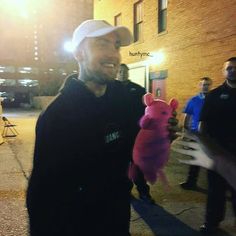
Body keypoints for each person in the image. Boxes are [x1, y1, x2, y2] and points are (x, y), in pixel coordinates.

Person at [26, 19, 178, 236]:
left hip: (117, 218)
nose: (113, 54)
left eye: (116, 46)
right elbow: (42, 195)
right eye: (101, 44)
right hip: (75, 226)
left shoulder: (125, 100)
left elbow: (136, 152)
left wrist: (160, 137)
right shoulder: (57, 115)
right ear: (79, 54)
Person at [198, 57, 236, 234]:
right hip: (218, 153)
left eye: (235, 68)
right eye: (229, 68)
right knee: (215, 191)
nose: (233, 71)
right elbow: (203, 124)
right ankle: (211, 223)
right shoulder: (213, 96)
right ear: (224, 71)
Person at [117, 63, 155, 204]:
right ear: (116, 72)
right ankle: (124, 191)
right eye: (119, 71)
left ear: (128, 73)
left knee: (137, 165)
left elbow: (147, 110)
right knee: (120, 166)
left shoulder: (138, 90)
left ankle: (143, 192)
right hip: (117, 136)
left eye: (124, 71)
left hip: (135, 134)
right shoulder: (110, 89)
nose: (122, 73)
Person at [180, 77, 212, 190]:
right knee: (194, 160)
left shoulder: (214, 99)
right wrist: (185, 130)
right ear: (199, 85)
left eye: (207, 84)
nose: (205, 86)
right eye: (203, 84)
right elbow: (187, 116)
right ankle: (191, 182)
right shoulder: (193, 100)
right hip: (196, 135)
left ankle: (214, 185)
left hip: (210, 135)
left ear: (210, 85)